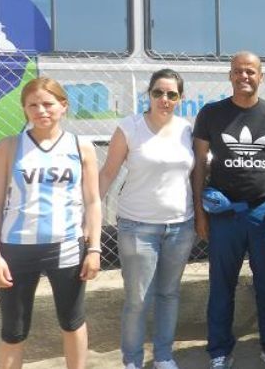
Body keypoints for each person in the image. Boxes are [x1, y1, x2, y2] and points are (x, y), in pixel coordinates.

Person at [0, 77, 102, 369]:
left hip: (66, 247)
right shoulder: (9, 146)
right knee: (14, 331)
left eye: (48, 104)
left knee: (72, 322)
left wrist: (95, 249)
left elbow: (94, 201)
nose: (41, 110)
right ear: (24, 109)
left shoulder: (81, 146)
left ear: (63, 106)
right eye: (32, 105)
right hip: (16, 249)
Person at [192, 51, 265, 369]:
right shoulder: (211, 114)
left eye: (251, 71)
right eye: (238, 71)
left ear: (261, 77)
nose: (244, 76)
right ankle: (220, 350)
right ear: (230, 76)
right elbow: (198, 165)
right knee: (222, 283)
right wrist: (200, 211)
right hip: (224, 214)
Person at [99, 69, 196, 369]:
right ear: (149, 94)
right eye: (158, 93)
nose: (164, 99)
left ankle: (164, 356)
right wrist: (85, 216)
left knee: (169, 294)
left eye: (171, 94)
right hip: (137, 227)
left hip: (181, 226)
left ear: (180, 99)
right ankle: (133, 360)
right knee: (138, 299)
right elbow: (107, 174)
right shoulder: (130, 128)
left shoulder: (187, 130)